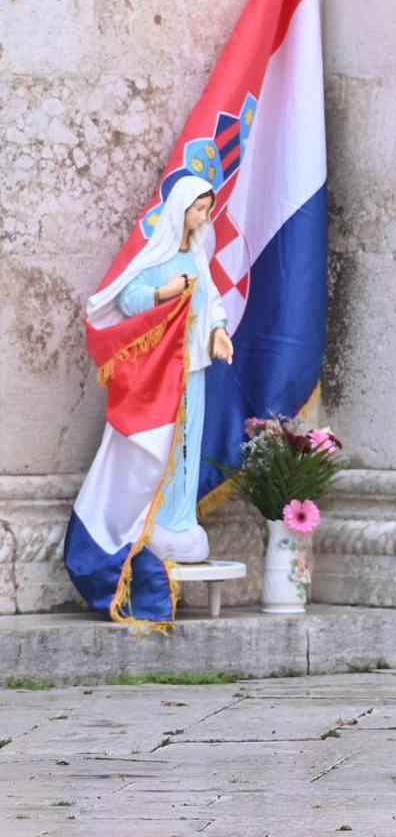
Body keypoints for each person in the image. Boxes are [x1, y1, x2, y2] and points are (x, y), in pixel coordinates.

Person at [68, 175, 234, 626]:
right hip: (162, 371)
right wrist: (164, 292)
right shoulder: (157, 257)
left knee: (189, 445)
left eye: (206, 210)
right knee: (165, 448)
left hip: (193, 368)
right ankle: (156, 520)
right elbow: (129, 297)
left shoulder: (196, 255)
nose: (202, 218)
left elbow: (212, 300)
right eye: (197, 209)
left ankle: (181, 518)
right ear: (180, 209)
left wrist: (218, 332)